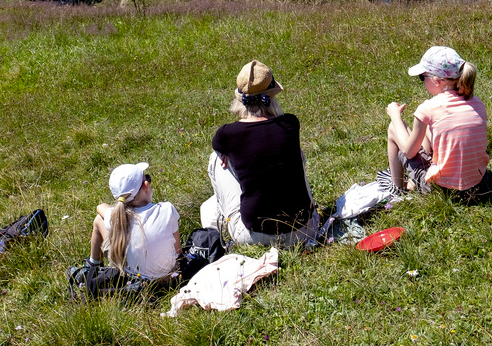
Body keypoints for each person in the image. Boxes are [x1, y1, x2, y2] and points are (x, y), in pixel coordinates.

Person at [200, 60, 320, 247]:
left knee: (216, 158)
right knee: (296, 152)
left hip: (253, 237)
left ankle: (218, 224)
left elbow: (218, 145)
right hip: (304, 230)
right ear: (272, 96)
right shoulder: (290, 124)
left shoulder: (228, 133)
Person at [383, 46, 492, 202]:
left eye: (423, 77)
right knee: (431, 128)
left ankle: (398, 190)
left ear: (436, 80)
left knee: (393, 129)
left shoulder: (428, 108)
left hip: (442, 191)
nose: (423, 82)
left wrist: (395, 116)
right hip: (478, 185)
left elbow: (408, 152)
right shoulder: (477, 103)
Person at [81, 162, 180, 280]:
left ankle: (92, 265)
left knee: (98, 220)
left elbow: (100, 207)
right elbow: (178, 251)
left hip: (133, 281)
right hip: (171, 276)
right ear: (146, 185)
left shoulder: (116, 218)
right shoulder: (167, 209)